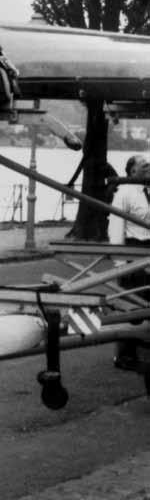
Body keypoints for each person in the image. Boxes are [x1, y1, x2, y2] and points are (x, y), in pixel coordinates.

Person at [107, 154, 150, 369]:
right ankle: (124, 355)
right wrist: (120, 263)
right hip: (134, 249)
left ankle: (143, 349)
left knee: (147, 302)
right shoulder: (124, 193)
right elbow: (116, 226)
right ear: (132, 171)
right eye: (144, 165)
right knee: (131, 304)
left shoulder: (148, 191)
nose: (149, 168)